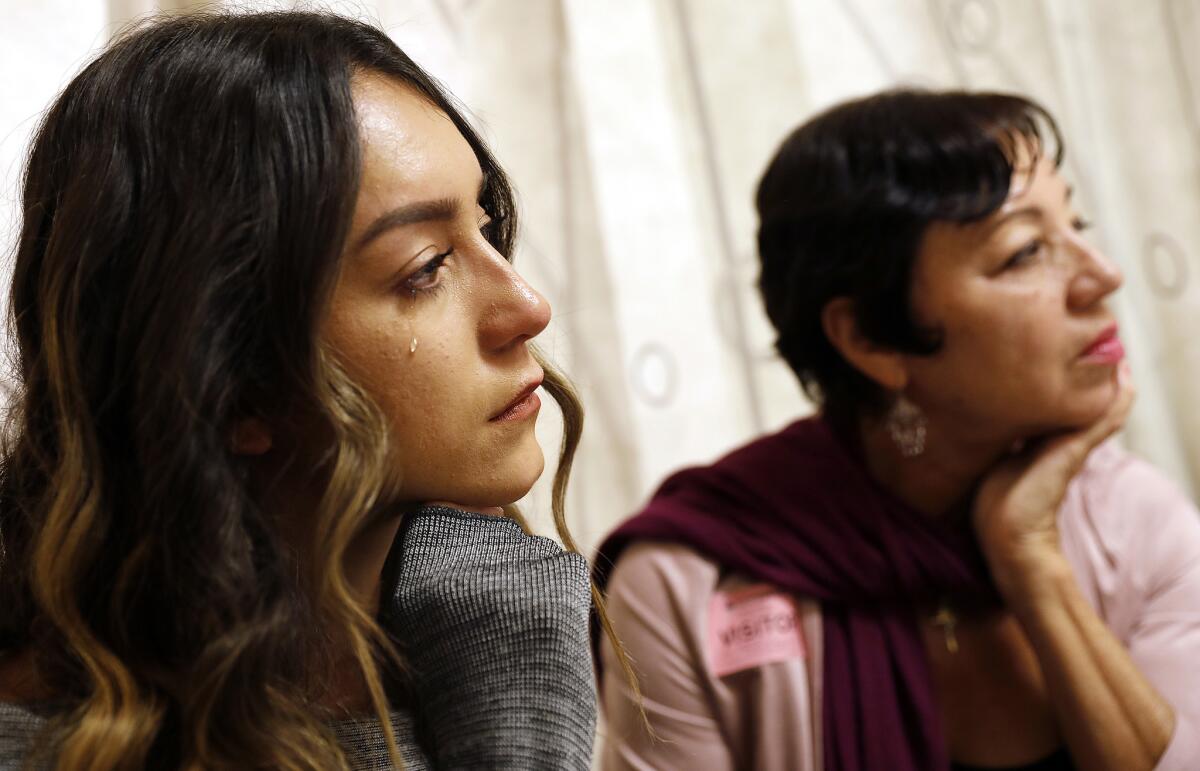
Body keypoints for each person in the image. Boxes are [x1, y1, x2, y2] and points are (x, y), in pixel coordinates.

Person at [0, 11, 611, 770]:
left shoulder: (505, 633)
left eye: (486, 227)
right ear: (229, 379)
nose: (528, 306)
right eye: (424, 267)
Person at [594, 90, 1200, 771]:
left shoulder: (1136, 516)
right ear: (871, 339)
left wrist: (1031, 557)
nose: (1103, 275)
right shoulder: (686, 583)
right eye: (1025, 251)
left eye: (1077, 225)